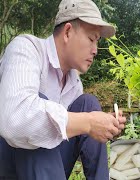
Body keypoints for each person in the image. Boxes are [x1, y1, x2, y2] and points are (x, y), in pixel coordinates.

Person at [0, 0, 126, 179]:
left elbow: (74, 130)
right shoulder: (27, 49)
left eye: (97, 42)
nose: (95, 50)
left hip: (49, 168)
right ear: (67, 32)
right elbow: (15, 120)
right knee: (38, 108)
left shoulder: (74, 83)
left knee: (88, 104)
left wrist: (103, 124)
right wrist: (89, 122)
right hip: (11, 165)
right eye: (91, 39)